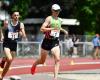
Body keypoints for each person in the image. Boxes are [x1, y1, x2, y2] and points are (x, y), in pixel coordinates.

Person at [31, 4, 68, 80]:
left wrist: (63, 30)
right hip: (46, 41)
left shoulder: (60, 20)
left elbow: (58, 27)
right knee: (42, 61)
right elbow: (42, 29)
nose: (57, 12)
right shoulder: (49, 19)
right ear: (52, 10)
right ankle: (34, 65)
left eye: (58, 11)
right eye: (55, 11)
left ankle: (55, 78)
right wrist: (51, 28)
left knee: (57, 59)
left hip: (55, 41)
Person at [0, 11, 27, 80]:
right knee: (9, 59)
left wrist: (22, 34)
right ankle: (1, 76)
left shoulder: (21, 24)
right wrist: (2, 36)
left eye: (17, 15)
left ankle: (3, 63)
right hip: (6, 43)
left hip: (14, 44)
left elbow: (23, 34)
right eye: (15, 15)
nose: (16, 17)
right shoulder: (7, 23)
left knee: (9, 61)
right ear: (12, 16)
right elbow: (2, 29)